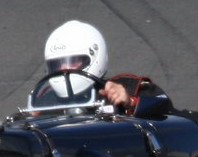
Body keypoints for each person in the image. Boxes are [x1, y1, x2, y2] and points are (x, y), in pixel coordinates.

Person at [43, 20, 172, 117]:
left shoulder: (129, 88)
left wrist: (130, 102)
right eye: (56, 64)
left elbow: (168, 112)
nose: (64, 69)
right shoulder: (45, 102)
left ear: (94, 56)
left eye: (74, 61)